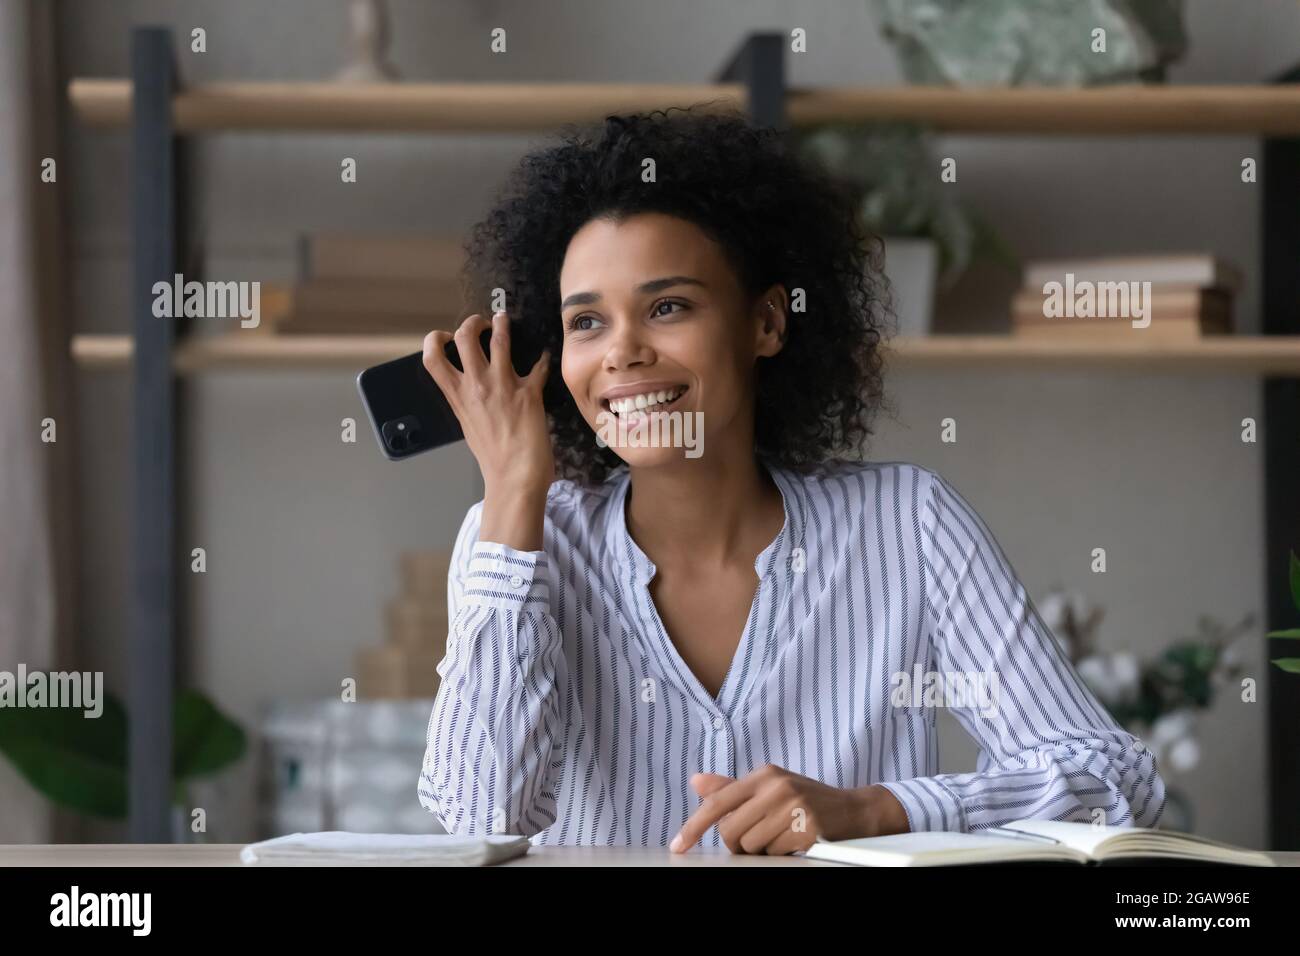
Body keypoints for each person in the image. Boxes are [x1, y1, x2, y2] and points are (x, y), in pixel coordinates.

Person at [416, 107, 1165, 854]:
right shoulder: (515, 543)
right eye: (586, 323)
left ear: (767, 324)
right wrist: (513, 493)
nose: (622, 353)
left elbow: (1111, 784)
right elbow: (482, 819)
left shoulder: (909, 525)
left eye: (667, 307)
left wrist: (875, 811)